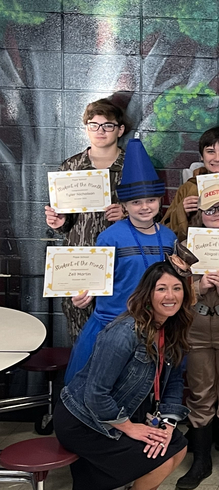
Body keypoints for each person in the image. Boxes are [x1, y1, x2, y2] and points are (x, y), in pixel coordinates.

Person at [54, 261, 193, 490]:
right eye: (162, 289)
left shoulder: (172, 329)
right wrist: (131, 428)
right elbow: (95, 394)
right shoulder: (125, 332)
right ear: (148, 294)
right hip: (84, 420)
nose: (170, 296)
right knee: (159, 458)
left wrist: (167, 423)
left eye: (176, 288)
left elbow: (174, 381)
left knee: (178, 445)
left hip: (121, 412)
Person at [66, 137, 177, 381]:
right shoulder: (110, 237)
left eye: (151, 200)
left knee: (143, 388)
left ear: (160, 201)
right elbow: (94, 278)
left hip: (155, 326)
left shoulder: (169, 238)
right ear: (124, 205)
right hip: (114, 324)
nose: (145, 207)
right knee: (107, 387)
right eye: (136, 202)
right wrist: (84, 293)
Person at [174, 184, 219, 490]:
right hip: (196, 328)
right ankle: (201, 460)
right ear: (199, 214)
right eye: (209, 209)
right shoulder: (185, 247)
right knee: (201, 394)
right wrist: (199, 287)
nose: (216, 214)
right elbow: (173, 295)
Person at [44, 97, 127, 342]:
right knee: (81, 338)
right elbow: (65, 221)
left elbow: (153, 212)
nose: (100, 131)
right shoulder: (71, 167)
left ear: (120, 129)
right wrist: (58, 223)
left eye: (107, 125)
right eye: (94, 125)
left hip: (120, 263)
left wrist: (126, 213)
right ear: (86, 128)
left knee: (119, 339)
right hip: (78, 264)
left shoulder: (132, 165)